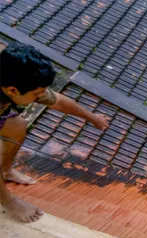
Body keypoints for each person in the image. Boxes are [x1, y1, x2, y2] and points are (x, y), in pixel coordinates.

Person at [0, 42, 109, 223]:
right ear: (12, 90)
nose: (39, 97)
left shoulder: (14, 72)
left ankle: (5, 171)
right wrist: (10, 202)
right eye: (36, 94)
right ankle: (6, 199)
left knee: (18, 126)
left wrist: (91, 117)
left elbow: (57, 101)